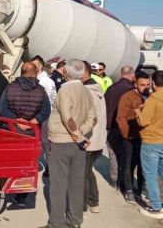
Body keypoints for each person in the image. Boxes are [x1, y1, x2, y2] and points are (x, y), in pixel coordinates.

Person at [42, 59, 96, 228]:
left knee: (58, 185)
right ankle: (74, 221)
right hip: (78, 145)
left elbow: (67, 117)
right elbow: (93, 119)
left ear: (66, 73)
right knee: (76, 184)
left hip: (61, 141)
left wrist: (77, 135)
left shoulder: (65, 90)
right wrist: (81, 135)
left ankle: (57, 223)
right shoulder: (86, 91)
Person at [0, 61, 51, 207]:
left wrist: (16, 120)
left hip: (11, 131)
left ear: (21, 72)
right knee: (27, 164)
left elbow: (3, 108)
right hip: (31, 133)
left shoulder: (9, 88)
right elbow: (46, 110)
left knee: (8, 160)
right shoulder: (41, 90)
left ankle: (2, 190)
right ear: (35, 73)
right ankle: (21, 197)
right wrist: (33, 121)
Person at [135, 70, 163, 219]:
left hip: (152, 141)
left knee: (151, 175)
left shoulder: (152, 99)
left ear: (153, 83)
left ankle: (157, 208)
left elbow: (143, 121)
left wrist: (137, 113)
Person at [115, 71, 149, 203]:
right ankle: (128, 190)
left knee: (143, 165)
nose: (145, 87)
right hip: (130, 136)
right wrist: (126, 134)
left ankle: (140, 189)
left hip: (144, 137)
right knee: (128, 164)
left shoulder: (149, 97)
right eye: (142, 84)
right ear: (135, 83)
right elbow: (120, 117)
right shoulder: (127, 97)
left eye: (147, 84)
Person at [104, 65, 136, 190]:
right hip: (126, 127)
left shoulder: (111, 89)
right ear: (132, 75)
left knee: (113, 154)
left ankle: (114, 179)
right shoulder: (131, 90)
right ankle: (124, 181)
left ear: (121, 73)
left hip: (110, 126)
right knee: (126, 155)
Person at [83, 65, 107, 214]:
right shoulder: (97, 90)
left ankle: (83, 204)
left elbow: (88, 119)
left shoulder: (86, 92)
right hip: (97, 140)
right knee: (87, 172)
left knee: (82, 174)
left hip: (88, 139)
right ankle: (93, 202)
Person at [32, 55, 58, 178]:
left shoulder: (47, 81)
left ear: (41, 66)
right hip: (33, 117)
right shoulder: (32, 79)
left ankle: (51, 167)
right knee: (36, 142)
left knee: (46, 142)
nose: (33, 67)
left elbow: (53, 100)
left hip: (46, 117)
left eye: (35, 65)